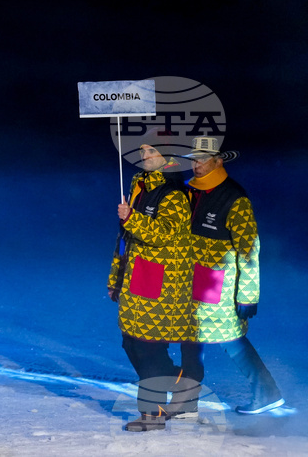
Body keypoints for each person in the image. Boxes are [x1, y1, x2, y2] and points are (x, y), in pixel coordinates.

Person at [181, 136, 285, 415]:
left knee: (229, 339)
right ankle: (187, 397)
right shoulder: (191, 191)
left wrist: (248, 295)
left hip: (218, 283)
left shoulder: (235, 198)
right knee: (191, 336)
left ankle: (267, 393)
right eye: (194, 159)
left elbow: (249, 250)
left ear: (218, 160)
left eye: (203, 159)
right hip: (191, 278)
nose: (197, 165)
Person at [107, 135, 193, 431]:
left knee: (149, 347)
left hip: (162, 282)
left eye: (151, 150)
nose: (144, 154)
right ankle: (182, 381)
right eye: (142, 149)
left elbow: (164, 234)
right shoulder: (138, 184)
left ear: (168, 158)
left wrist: (132, 218)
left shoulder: (174, 194)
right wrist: (115, 277)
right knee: (131, 342)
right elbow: (125, 238)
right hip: (136, 277)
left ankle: (152, 414)